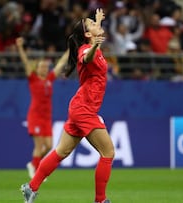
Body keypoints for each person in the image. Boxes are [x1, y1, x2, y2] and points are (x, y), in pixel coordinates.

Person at [20, 8, 115, 203]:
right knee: (108, 152)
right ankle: (100, 200)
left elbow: (92, 39)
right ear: (88, 35)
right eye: (92, 25)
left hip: (80, 107)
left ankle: (31, 187)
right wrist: (95, 46)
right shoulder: (86, 49)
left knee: (61, 151)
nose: (96, 26)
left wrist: (97, 21)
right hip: (84, 109)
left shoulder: (91, 42)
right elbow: (86, 57)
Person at [15, 37, 69, 179]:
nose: (44, 69)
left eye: (46, 67)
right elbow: (25, 62)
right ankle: (35, 169)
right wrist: (20, 47)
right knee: (39, 147)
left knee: (49, 146)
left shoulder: (50, 79)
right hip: (35, 116)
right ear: (37, 69)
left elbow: (61, 63)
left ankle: (34, 164)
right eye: (41, 67)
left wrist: (71, 49)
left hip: (46, 118)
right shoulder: (33, 79)